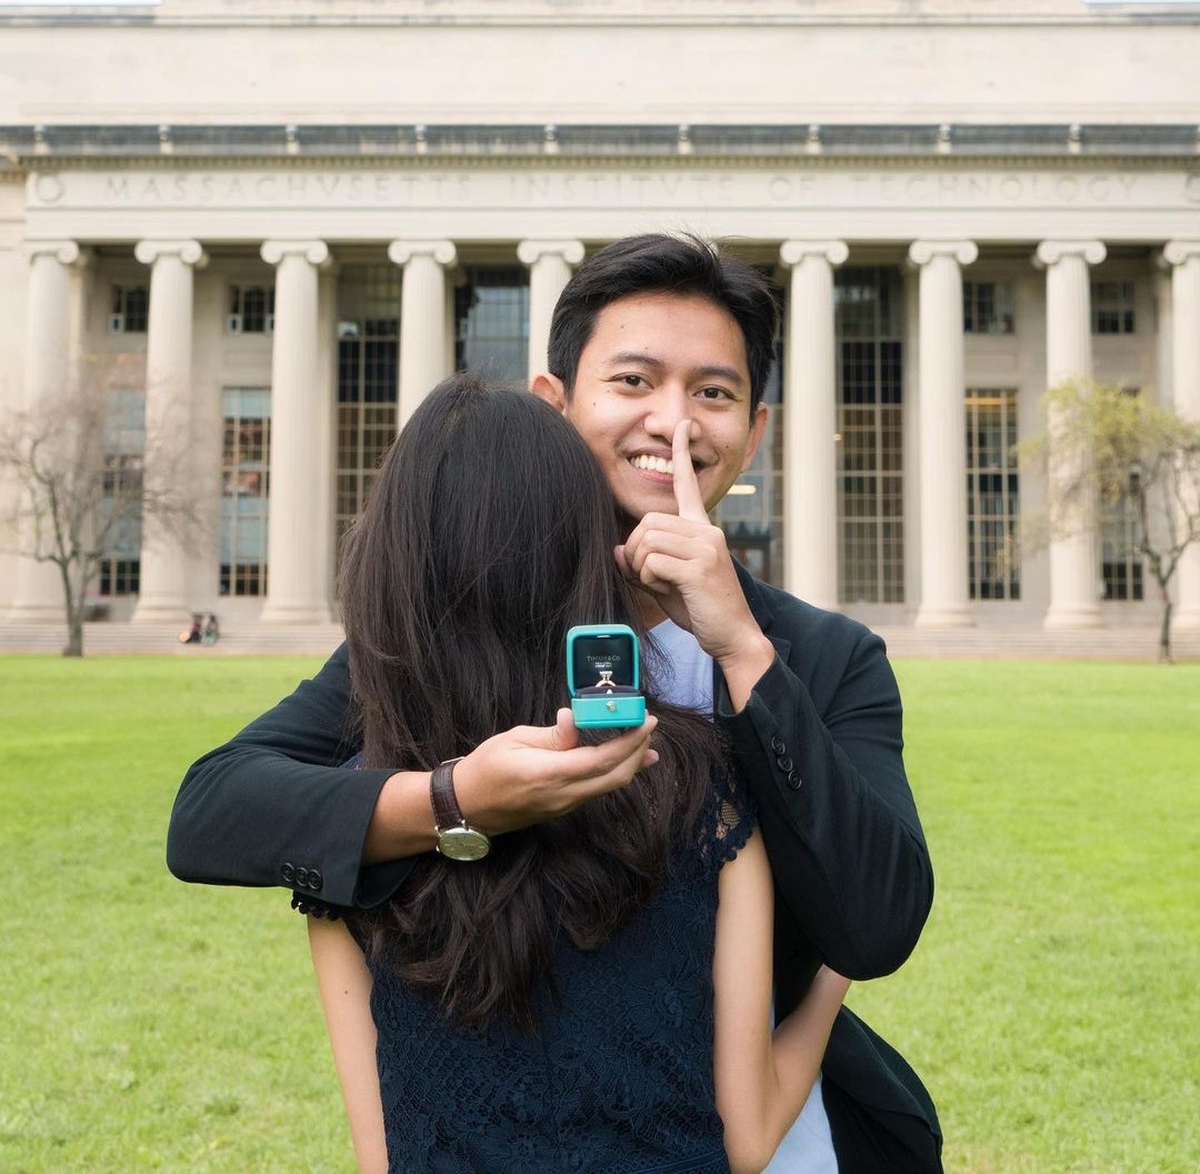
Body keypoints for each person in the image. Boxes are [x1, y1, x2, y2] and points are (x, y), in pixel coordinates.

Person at [168, 233, 941, 1171]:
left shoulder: (821, 660)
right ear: (556, 405)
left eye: (714, 392)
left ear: (757, 428)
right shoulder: (455, 638)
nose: (675, 423)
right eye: (634, 382)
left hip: (754, 1121)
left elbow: (877, 925)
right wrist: (454, 800)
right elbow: (213, 812)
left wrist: (741, 649)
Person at [305, 372, 850, 1172]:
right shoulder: (703, 789)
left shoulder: (354, 825)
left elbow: (380, 1156)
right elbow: (747, 1140)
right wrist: (838, 967)